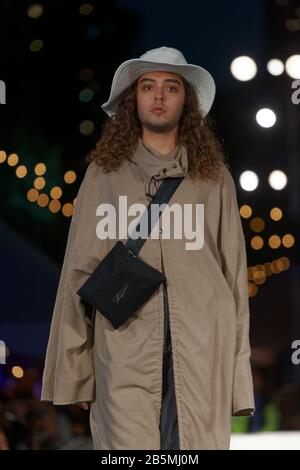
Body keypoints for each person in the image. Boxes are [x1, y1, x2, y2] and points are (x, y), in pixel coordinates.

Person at [41, 46, 255, 450]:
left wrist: (237, 378)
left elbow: (234, 279)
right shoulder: (103, 175)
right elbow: (77, 273)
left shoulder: (214, 179)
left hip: (202, 351)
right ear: (132, 99)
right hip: (122, 350)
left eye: (170, 87)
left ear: (185, 102)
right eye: (148, 87)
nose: (158, 96)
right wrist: (76, 369)